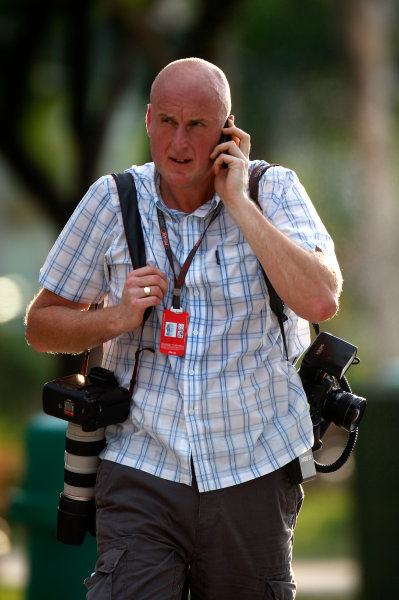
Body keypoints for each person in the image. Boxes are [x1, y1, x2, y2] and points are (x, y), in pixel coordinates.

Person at [25, 57, 342, 599]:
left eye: (196, 124)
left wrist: (239, 203)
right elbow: (41, 325)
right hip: (141, 465)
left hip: (254, 465)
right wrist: (116, 319)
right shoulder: (112, 198)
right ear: (148, 120)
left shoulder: (274, 191)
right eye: (167, 121)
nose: (178, 141)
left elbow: (320, 298)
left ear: (227, 130)